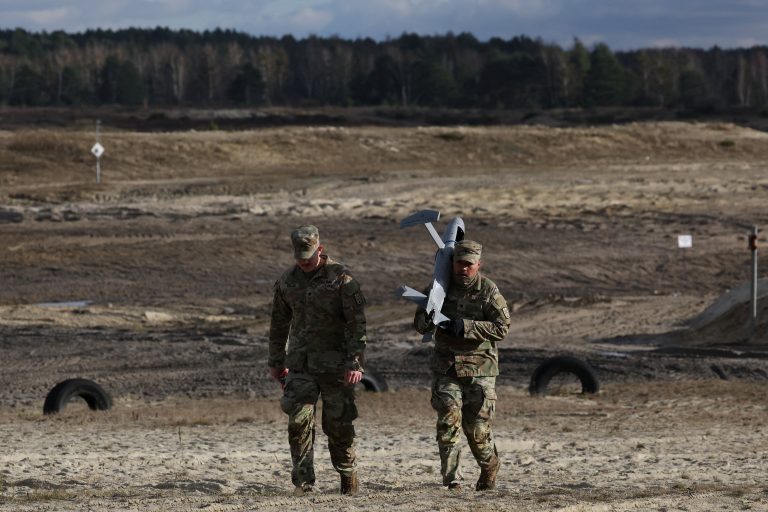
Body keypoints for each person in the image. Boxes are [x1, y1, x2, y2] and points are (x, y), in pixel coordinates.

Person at [268, 225, 367, 496]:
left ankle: (348, 476)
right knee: (298, 421)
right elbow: (278, 323)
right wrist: (276, 361)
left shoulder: (341, 279)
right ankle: (304, 483)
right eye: (299, 258)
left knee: (338, 425)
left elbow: (357, 324)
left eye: (309, 258)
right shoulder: (287, 281)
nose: (304, 262)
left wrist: (355, 362)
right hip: (301, 364)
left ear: (320, 250)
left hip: (337, 365)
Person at [413, 239, 511, 491]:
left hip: (480, 368)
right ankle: (452, 479)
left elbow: (502, 328)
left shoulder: (489, 291)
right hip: (446, 366)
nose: (463, 269)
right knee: (448, 418)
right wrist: (429, 315)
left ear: (478, 264)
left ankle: (489, 465)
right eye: (459, 263)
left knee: (477, 429)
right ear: (452, 262)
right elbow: (420, 326)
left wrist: (465, 326)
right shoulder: (438, 288)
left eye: (469, 264)